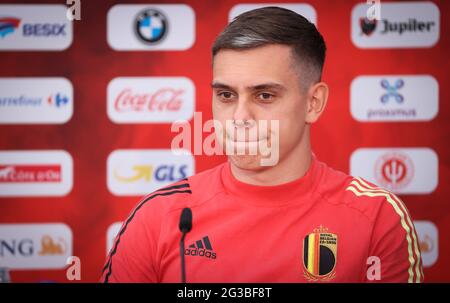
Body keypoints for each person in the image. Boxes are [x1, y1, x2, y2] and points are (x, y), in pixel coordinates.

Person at [101, 6, 423, 283]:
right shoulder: (157, 217)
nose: (240, 117)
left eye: (264, 95)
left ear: (314, 103)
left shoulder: (378, 219)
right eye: (226, 95)